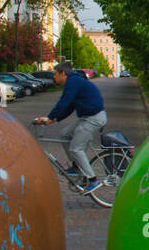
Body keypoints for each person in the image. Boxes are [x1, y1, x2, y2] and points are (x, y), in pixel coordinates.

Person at [34, 62, 107, 191]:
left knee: (76, 148)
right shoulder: (75, 82)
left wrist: (50, 117)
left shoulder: (73, 82)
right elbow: (69, 107)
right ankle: (76, 167)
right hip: (88, 117)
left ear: (63, 74)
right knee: (64, 133)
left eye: (55, 74)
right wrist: (53, 120)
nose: (54, 77)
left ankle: (92, 180)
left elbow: (64, 102)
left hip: (94, 118)